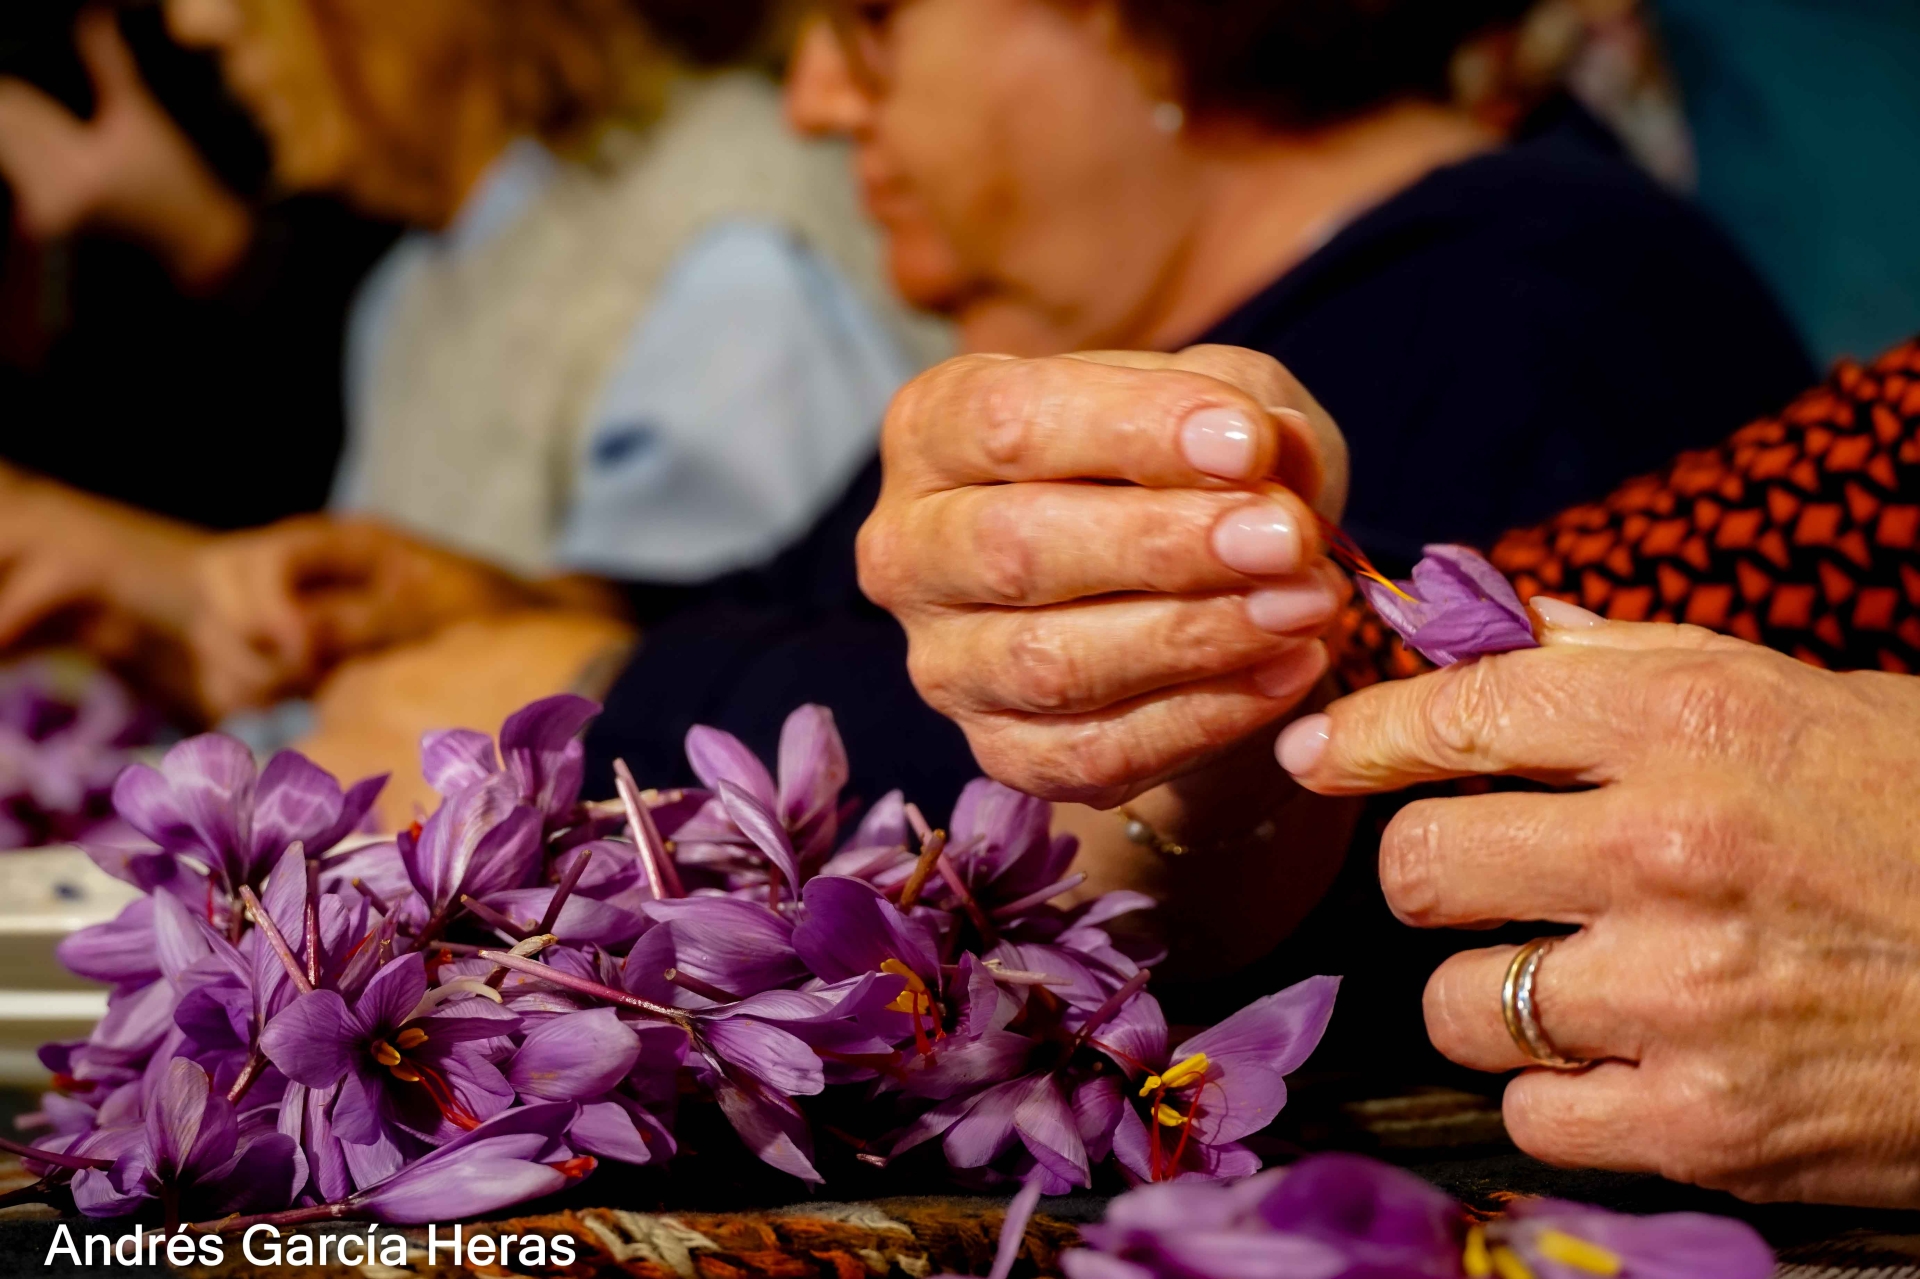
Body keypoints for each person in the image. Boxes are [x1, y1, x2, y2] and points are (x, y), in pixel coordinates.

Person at [862, 333, 1920, 1205]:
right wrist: (1192, 694)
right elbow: (1549, 658)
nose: (813, 100)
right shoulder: (1869, 483)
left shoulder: (1546, 292)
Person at [0, 0, 932, 724]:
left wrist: (135, 564)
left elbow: (715, 726)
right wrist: (131, 606)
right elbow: (400, 704)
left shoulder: (725, 247)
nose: (198, 20)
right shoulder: (412, 292)